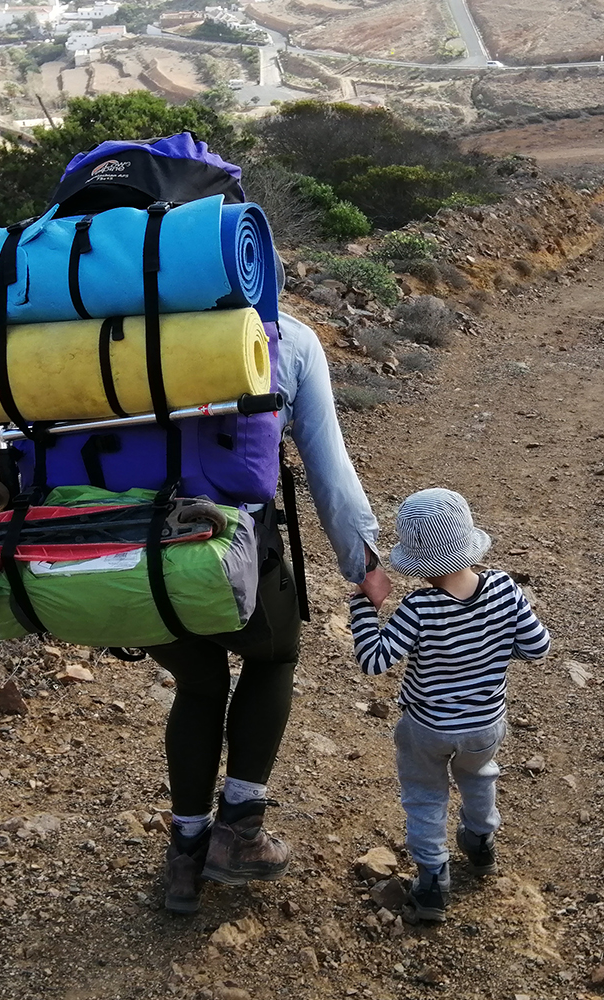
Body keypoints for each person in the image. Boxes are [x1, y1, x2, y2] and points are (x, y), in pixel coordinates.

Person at [150, 309, 390, 915]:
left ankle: (185, 855)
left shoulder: (115, 325)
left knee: (199, 684)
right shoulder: (294, 338)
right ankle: (238, 834)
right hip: (228, 551)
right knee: (274, 656)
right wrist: (363, 563)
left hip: (129, 559)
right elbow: (326, 464)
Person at [348, 488, 550, 922]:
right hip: (486, 725)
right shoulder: (504, 587)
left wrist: (362, 608)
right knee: (479, 778)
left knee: (424, 797)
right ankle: (480, 844)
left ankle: (432, 881)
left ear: (416, 558)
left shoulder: (419, 607)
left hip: (427, 728)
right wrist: (491, 649)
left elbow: (374, 660)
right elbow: (537, 647)